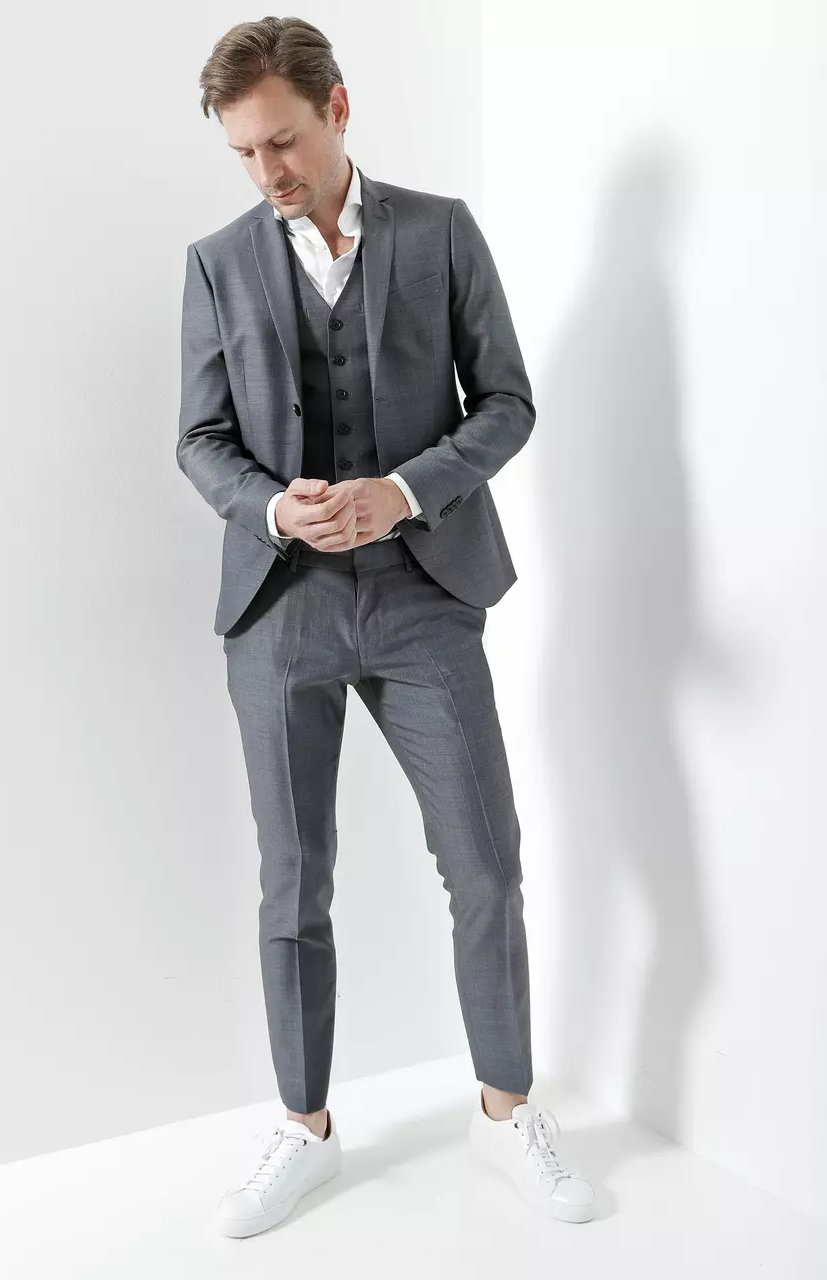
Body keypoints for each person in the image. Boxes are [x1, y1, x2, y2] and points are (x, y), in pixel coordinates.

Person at [177, 15, 596, 1237]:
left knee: (487, 864)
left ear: (339, 108)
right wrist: (275, 507)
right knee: (293, 881)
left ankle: (506, 1110)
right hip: (282, 609)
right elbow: (199, 439)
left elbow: (506, 402)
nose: (268, 171)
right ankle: (302, 1128)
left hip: (423, 595)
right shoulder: (215, 263)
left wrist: (404, 491)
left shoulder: (442, 231)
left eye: (284, 141)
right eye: (245, 152)